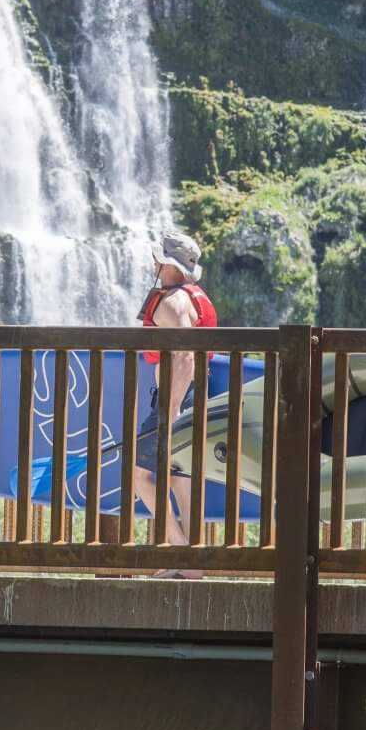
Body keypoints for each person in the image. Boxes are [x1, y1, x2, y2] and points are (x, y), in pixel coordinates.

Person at [129, 232, 215, 575]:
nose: (153, 263)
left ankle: (182, 556)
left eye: (157, 259)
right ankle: (192, 565)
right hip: (196, 393)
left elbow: (185, 356)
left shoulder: (172, 303)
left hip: (177, 396)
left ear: (168, 264)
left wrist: (173, 407)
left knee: (140, 477)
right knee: (181, 479)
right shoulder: (192, 297)